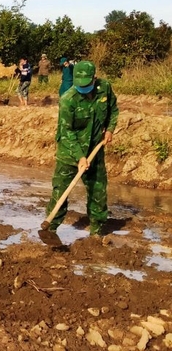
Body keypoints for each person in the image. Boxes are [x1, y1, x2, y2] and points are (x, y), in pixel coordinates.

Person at [45, 61, 118, 236]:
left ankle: (97, 231)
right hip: (69, 154)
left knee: (98, 191)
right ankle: (50, 229)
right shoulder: (68, 99)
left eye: (86, 84)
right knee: (60, 192)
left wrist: (109, 129)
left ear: (94, 78)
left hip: (95, 150)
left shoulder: (104, 88)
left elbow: (113, 110)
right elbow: (67, 132)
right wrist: (79, 157)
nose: (82, 88)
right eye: (79, 84)